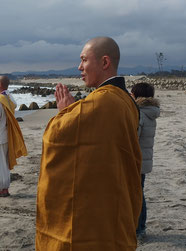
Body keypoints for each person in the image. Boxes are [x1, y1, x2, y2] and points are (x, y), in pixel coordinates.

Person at [36, 37, 142, 250]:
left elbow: (56, 136)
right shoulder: (124, 99)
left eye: (84, 60)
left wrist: (65, 111)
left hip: (97, 208)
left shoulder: (103, 101)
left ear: (104, 63)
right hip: (117, 195)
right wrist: (75, 110)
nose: (79, 67)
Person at [131, 83, 160, 239]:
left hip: (137, 160)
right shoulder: (151, 112)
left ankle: (139, 229)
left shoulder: (140, 113)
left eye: (132, 93)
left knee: (137, 194)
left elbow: (134, 138)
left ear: (137, 95)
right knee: (139, 192)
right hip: (144, 159)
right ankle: (140, 227)